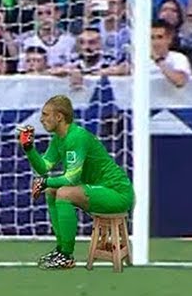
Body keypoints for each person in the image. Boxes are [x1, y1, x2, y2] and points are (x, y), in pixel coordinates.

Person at [17, 94, 134, 269]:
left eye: (45, 114)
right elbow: (43, 168)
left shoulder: (77, 137)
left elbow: (72, 178)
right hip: (97, 190)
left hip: (117, 193)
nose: (41, 119)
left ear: (59, 117)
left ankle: (66, 256)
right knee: (52, 191)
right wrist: (29, 148)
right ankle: (61, 249)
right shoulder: (58, 139)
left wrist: (45, 181)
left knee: (64, 192)